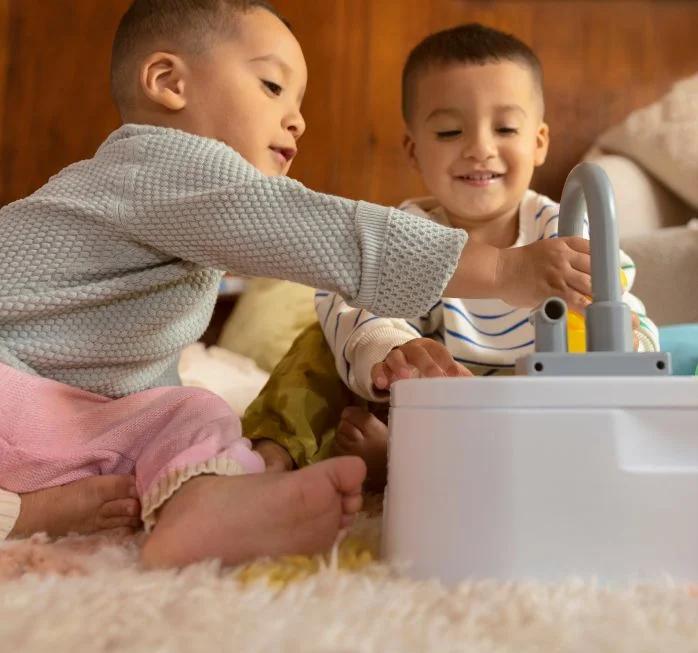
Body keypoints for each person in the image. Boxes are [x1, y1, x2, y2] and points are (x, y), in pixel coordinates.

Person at [0, 4, 591, 567]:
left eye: (299, 101)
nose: (297, 119)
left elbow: (135, 365)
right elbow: (327, 233)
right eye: (273, 87)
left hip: (55, 410)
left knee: (192, 410)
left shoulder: (192, 218)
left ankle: (202, 508)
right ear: (168, 82)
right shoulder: (162, 165)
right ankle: (22, 511)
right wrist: (504, 271)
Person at [245, 23, 658, 489]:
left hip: (534, 403)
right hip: (428, 395)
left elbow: (626, 315)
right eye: (449, 131)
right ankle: (273, 455)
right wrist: (395, 352)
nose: (480, 148)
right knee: (319, 343)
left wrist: (629, 338)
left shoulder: (566, 228)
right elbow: (354, 306)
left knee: (615, 372)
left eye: (505, 128)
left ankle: (404, 466)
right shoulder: (402, 232)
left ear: (538, 142)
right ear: (413, 150)